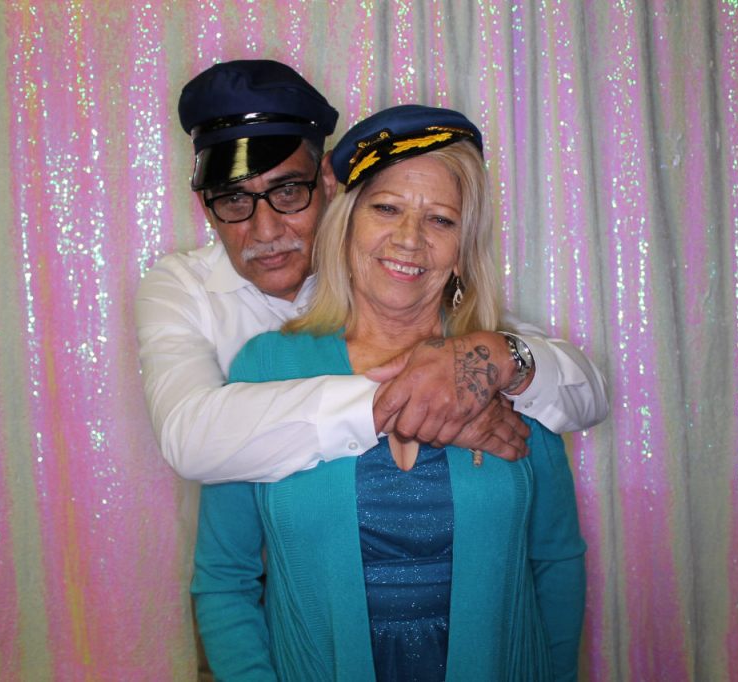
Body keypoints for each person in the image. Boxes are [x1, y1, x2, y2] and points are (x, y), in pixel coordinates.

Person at [193, 105, 586, 680]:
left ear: (462, 249)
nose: (409, 240)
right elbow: (224, 578)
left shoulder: (504, 367)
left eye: (440, 220)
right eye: (386, 208)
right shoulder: (267, 366)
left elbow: (555, 559)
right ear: (346, 222)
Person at [135, 59, 608, 485]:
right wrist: (416, 401)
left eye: (288, 192)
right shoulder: (180, 287)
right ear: (205, 205)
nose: (265, 230)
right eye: (234, 199)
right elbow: (190, 439)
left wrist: (499, 354)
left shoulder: (392, 270)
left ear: (327, 181)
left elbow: (584, 392)